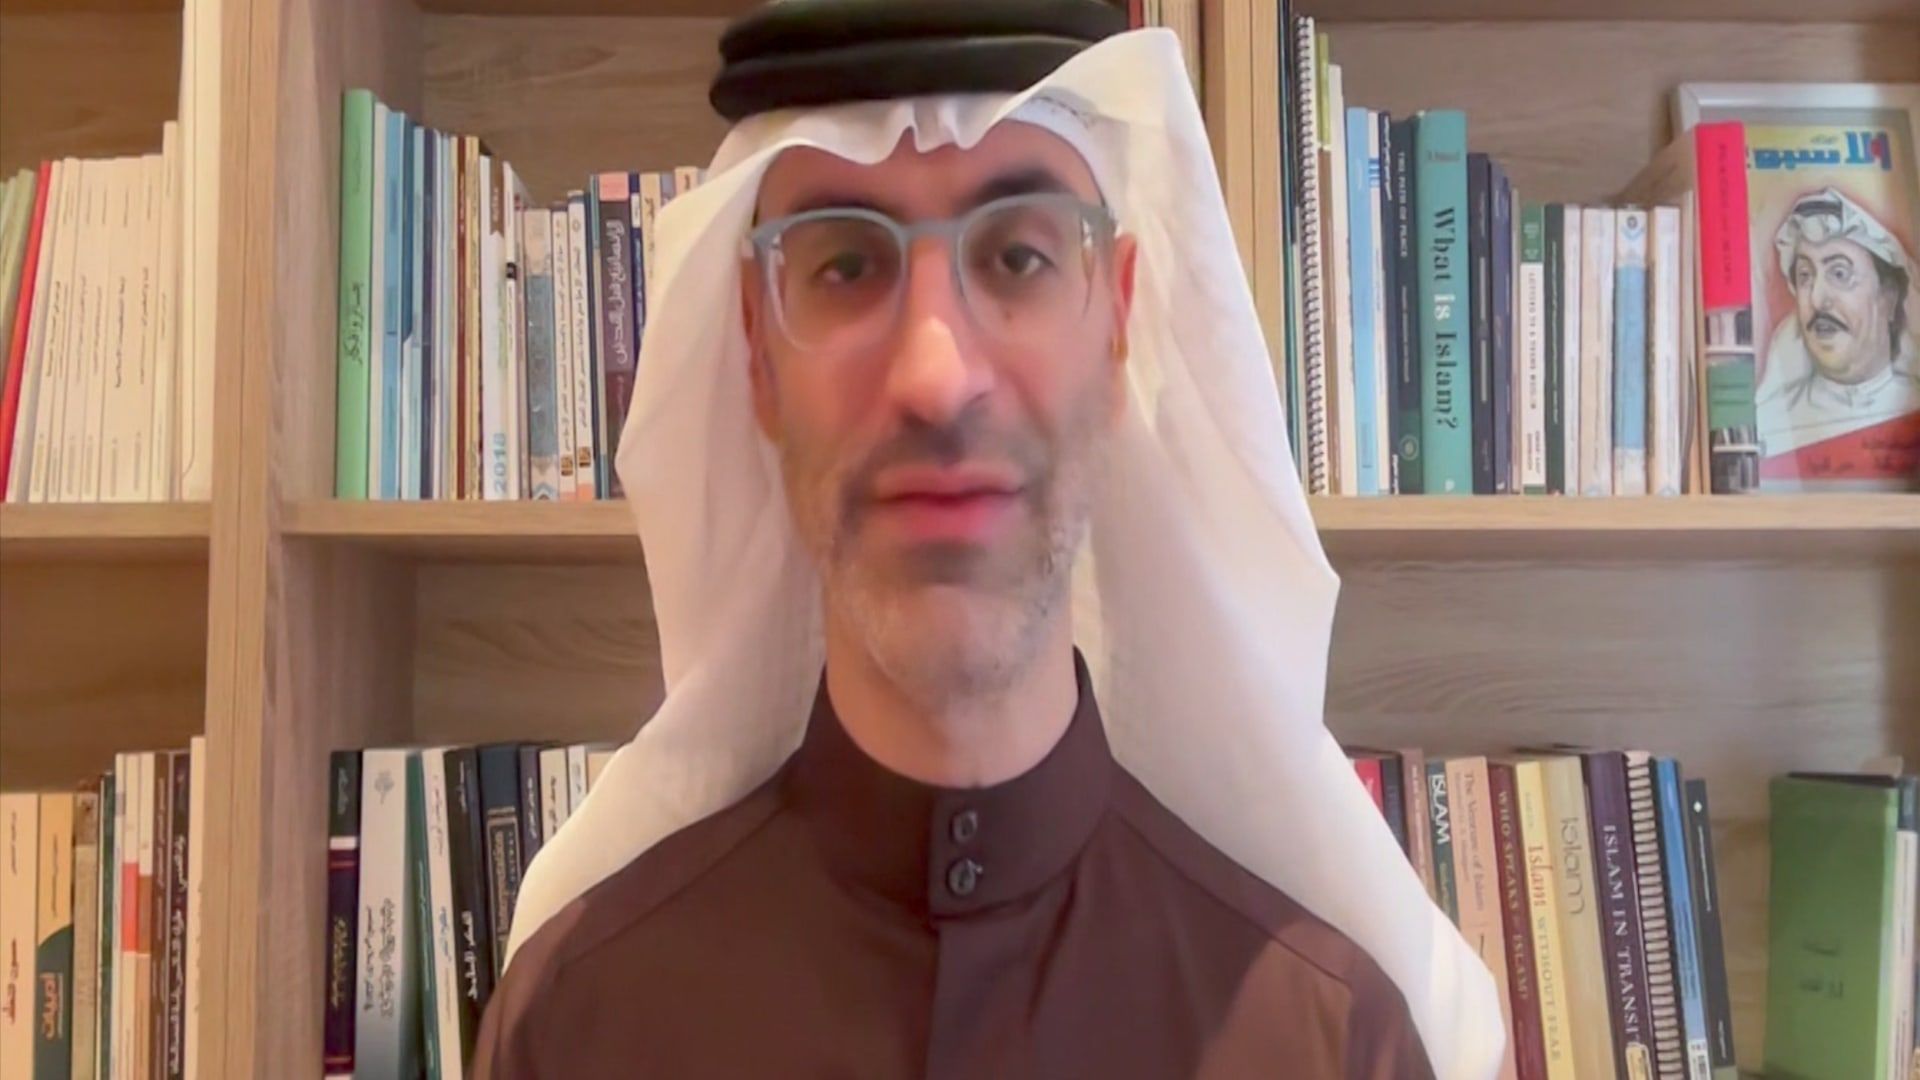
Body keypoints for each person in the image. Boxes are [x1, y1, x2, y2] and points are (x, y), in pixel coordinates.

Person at [474, 2, 1503, 1077]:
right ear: (758, 353)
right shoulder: (577, 1026)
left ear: (1117, 327)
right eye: (845, 266)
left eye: (1017, 256)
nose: (936, 378)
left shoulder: (1332, 1045)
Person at [1758, 186, 1920, 455]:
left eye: (1840, 274)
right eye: (1805, 276)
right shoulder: (1767, 425)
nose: (1817, 299)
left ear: (1889, 298)